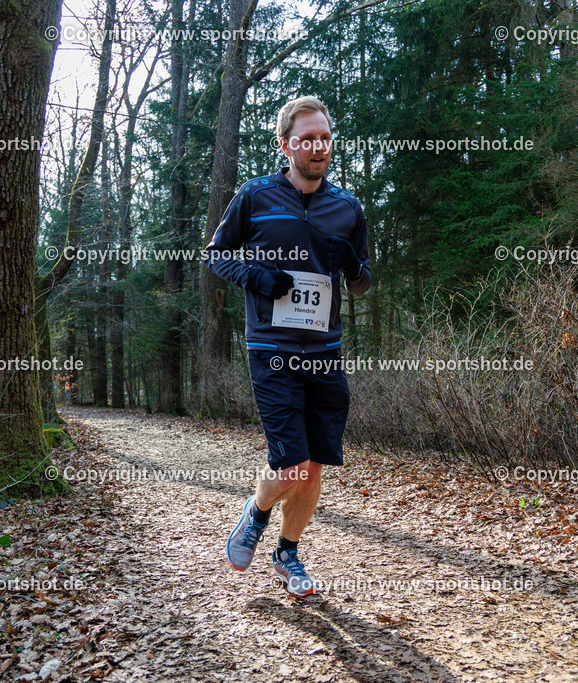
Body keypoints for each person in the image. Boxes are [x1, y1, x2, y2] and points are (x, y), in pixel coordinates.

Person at [204, 95, 372, 597]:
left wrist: (350, 265)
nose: (317, 146)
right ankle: (255, 513)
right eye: (307, 138)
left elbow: (363, 283)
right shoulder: (255, 196)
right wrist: (256, 275)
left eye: (324, 137)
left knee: (315, 464)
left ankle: (288, 554)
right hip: (272, 351)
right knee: (292, 463)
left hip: (325, 352)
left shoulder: (347, 207)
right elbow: (216, 255)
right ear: (286, 145)